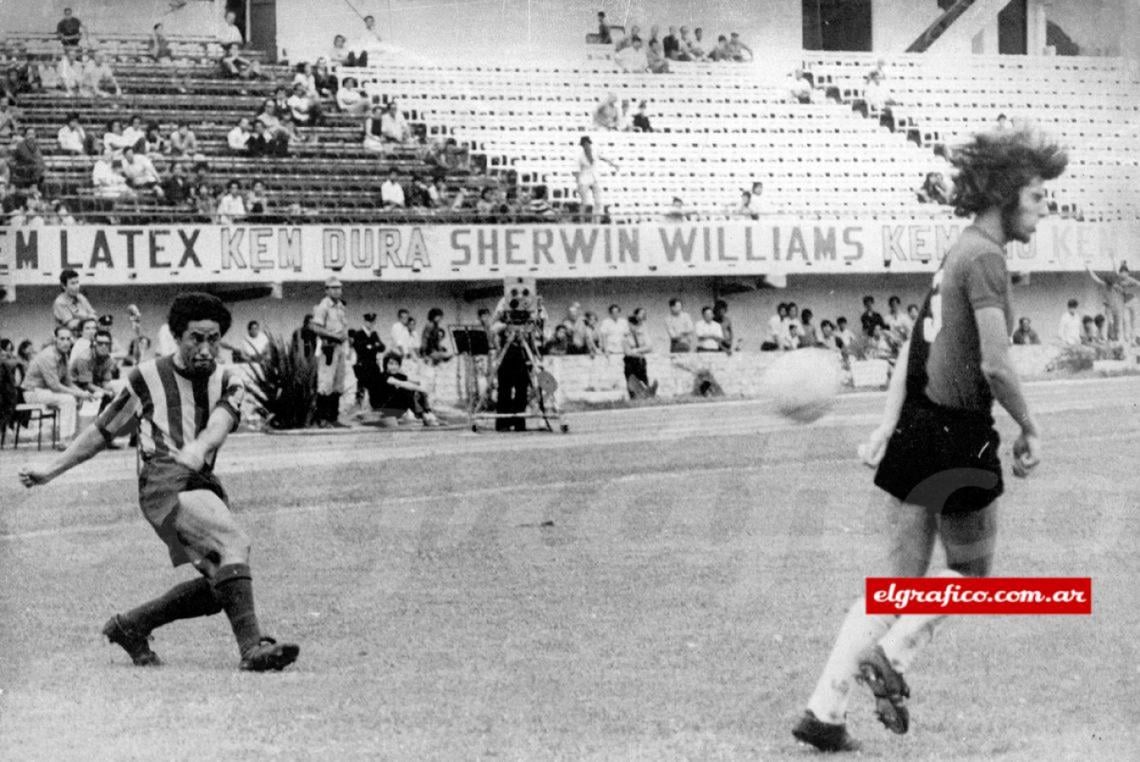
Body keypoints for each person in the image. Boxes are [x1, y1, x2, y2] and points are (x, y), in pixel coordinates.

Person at [792, 124, 1067, 752]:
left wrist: (889, 424)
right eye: (1037, 196)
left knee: (898, 584)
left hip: (918, 427)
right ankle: (891, 658)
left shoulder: (956, 252)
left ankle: (823, 714)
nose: (1044, 207)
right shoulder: (987, 259)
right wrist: (1030, 426)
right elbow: (996, 364)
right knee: (971, 576)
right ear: (1004, 196)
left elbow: (913, 350)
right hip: (958, 436)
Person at [19, 293, 300, 672]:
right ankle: (252, 649)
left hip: (200, 477)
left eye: (213, 339)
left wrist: (200, 446)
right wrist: (51, 470)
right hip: (162, 478)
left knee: (223, 583)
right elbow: (103, 431)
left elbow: (219, 423)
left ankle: (131, 625)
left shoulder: (229, 379)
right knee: (233, 542)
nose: (205, 348)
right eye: (195, 338)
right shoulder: (147, 378)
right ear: (177, 336)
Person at [20, 325, 94, 444]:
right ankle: (64, 440)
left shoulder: (64, 355)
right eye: (62, 339)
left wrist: (82, 393)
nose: (65, 342)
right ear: (55, 340)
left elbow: (68, 383)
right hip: (33, 392)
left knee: (73, 398)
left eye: (68, 339)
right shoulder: (48, 356)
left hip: (46, 392)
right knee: (68, 399)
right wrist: (79, 394)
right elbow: (55, 386)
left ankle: (73, 437)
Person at [311, 278, 349, 428]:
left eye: (339, 288)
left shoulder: (340, 306)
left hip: (340, 347)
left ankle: (333, 417)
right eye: (332, 288)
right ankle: (322, 419)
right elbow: (316, 328)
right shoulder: (323, 306)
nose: (336, 291)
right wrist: (333, 335)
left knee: (338, 384)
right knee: (325, 384)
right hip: (329, 346)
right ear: (326, 290)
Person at [373, 353, 440, 426]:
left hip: (399, 409)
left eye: (396, 364)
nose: (394, 367)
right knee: (406, 390)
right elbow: (401, 383)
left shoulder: (400, 376)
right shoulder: (383, 376)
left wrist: (425, 385)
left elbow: (415, 382)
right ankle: (423, 415)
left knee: (418, 391)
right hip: (385, 408)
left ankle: (428, 413)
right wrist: (421, 389)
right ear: (385, 365)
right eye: (391, 364)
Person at [1086, 262, 1139, 346]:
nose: (1110, 287)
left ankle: (1118, 338)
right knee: (1109, 322)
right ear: (1107, 283)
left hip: (1116, 307)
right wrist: (1089, 269)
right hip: (1108, 307)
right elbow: (1096, 278)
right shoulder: (1105, 284)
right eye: (1109, 285)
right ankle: (1107, 338)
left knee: (1119, 323)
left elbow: (1123, 289)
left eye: (1111, 285)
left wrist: (1126, 293)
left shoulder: (1115, 286)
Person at [575, 136, 618, 223]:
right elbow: (576, 170)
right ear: (583, 145)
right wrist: (578, 182)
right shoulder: (579, 156)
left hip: (595, 177)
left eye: (588, 144)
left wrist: (613, 164)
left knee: (598, 201)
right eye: (585, 144)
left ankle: (597, 221)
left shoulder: (595, 152)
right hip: (584, 179)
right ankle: (581, 221)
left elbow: (603, 158)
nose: (587, 146)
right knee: (585, 202)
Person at [349, 313, 385, 410]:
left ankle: (375, 408)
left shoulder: (374, 334)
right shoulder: (359, 334)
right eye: (369, 322)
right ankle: (358, 407)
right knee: (361, 388)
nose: (371, 324)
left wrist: (371, 346)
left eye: (373, 322)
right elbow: (360, 349)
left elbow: (382, 347)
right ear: (365, 322)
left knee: (376, 388)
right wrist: (374, 346)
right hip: (363, 365)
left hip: (373, 364)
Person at [622, 307, 656, 398]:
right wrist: (640, 352)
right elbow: (627, 352)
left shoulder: (642, 334)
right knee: (631, 381)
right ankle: (633, 398)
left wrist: (636, 350)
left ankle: (647, 397)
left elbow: (650, 347)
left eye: (635, 325)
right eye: (631, 324)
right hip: (630, 362)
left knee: (644, 381)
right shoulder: (625, 336)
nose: (633, 327)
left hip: (641, 361)